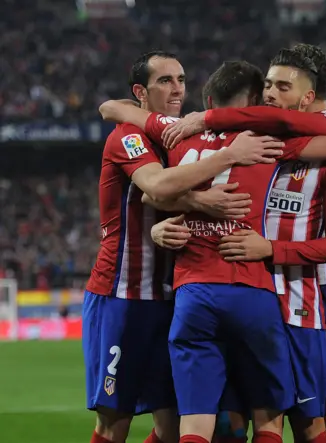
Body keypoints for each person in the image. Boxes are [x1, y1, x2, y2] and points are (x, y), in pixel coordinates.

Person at [100, 59, 326, 443]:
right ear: (254, 102)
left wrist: (118, 108)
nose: (271, 95)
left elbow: (151, 179)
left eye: (281, 87)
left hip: (196, 296)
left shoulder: (177, 133)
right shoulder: (268, 142)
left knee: (196, 424)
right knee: (274, 420)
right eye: (267, 89)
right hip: (255, 292)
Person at [84, 51, 280, 443]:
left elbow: (117, 108)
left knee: (175, 424)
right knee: (114, 420)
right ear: (141, 91)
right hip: (124, 295)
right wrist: (213, 178)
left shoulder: (177, 133)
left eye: (181, 79)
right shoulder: (129, 137)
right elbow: (155, 187)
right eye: (165, 81)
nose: (177, 89)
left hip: (175, 294)